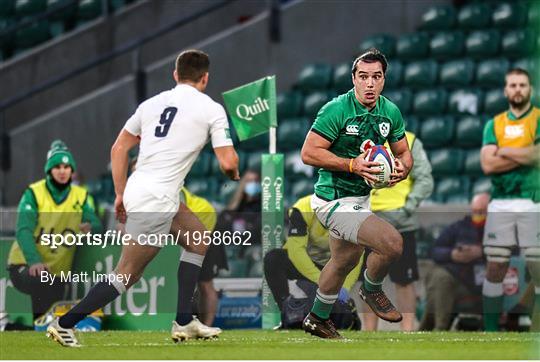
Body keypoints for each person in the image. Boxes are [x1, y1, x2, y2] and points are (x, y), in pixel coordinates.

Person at [46, 49, 240, 347]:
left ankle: (184, 320)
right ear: (205, 78)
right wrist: (233, 174)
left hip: (145, 189)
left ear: (175, 75)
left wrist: (121, 192)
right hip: (157, 198)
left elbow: (118, 149)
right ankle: (64, 323)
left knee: (198, 238)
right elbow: (227, 163)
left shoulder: (150, 104)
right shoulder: (211, 108)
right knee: (127, 274)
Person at [300, 48, 413, 338]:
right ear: (354, 79)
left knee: (344, 261)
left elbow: (403, 152)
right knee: (392, 243)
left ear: (384, 80)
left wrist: (403, 168)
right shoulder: (336, 109)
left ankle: (317, 318)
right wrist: (352, 164)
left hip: (360, 199)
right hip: (332, 200)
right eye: (363, 77)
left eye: (376, 77)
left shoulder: (390, 111)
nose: (370, 83)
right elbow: (309, 152)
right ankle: (372, 288)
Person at [7, 140, 102, 321]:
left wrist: (91, 228)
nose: (62, 171)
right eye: (57, 166)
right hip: (24, 265)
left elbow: (96, 224)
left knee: (47, 319)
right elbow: (23, 230)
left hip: (57, 273)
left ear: (72, 171)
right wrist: (34, 261)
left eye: (67, 167)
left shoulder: (80, 196)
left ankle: (17, 328)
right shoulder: (34, 193)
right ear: (49, 170)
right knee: (41, 284)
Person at [480, 68, 540, 332]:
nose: (518, 89)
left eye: (522, 85)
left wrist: (503, 151)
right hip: (501, 202)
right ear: (506, 91)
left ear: (530, 90)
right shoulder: (494, 124)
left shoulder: (538, 119)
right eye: (513, 85)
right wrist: (524, 153)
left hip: (533, 199)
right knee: (495, 265)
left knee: (537, 264)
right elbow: (487, 164)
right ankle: (491, 332)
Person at [363, 131, 433, 331]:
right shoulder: (360, 138)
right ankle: (369, 331)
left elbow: (424, 178)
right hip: (366, 220)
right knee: (366, 279)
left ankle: (408, 329)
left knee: (404, 279)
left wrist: (407, 207)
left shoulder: (409, 141)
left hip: (400, 222)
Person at [264, 193, 361, 312]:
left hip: (333, 267)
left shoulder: (352, 213)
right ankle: (285, 312)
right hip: (305, 263)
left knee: (371, 251)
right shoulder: (302, 208)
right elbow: (296, 251)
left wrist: (344, 287)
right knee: (273, 259)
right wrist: (322, 281)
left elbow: (356, 254)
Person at [419, 193, 490, 331]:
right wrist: (452, 254)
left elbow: (513, 253)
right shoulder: (459, 227)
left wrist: (482, 252)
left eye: (482, 212)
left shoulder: (499, 229)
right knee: (440, 278)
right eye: (475, 211)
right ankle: (437, 328)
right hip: (458, 279)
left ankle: (433, 329)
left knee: (438, 284)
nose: (478, 215)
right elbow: (434, 250)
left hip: (486, 284)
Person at [180, 187, 227, 327]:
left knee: (205, 282)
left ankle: (207, 326)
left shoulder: (169, 186)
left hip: (206, 223)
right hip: (188, 227)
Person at [216, 170, 262, 249]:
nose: (254, 184)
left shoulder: (262, 209)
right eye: (250, 181)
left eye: (256, 181)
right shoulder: (230, 212)